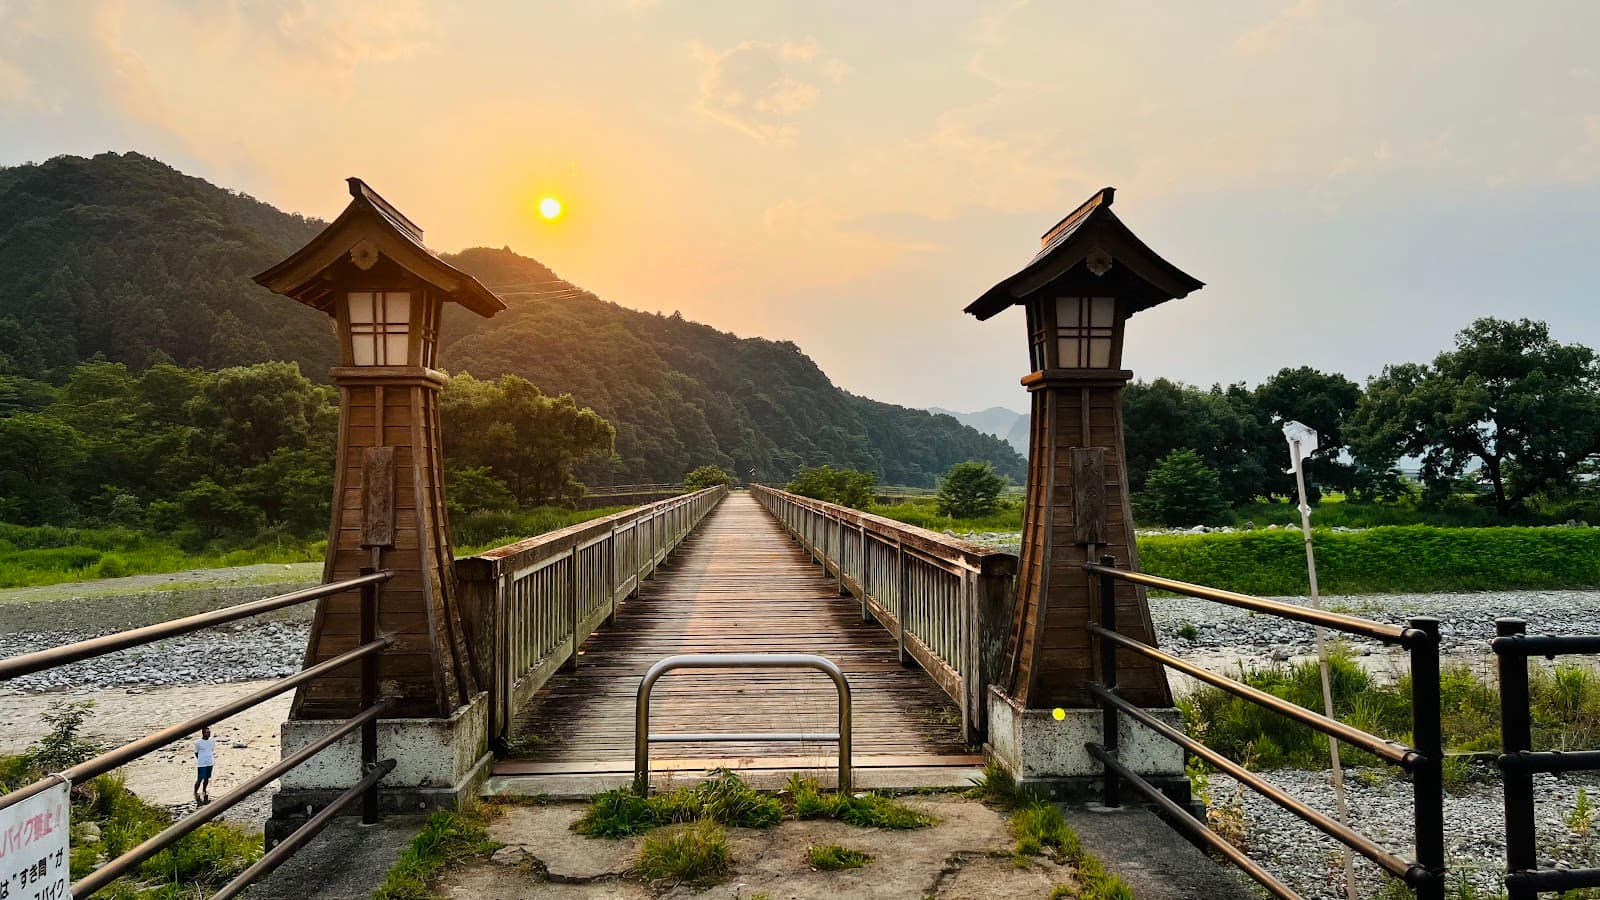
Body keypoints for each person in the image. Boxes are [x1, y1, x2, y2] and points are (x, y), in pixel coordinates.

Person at [193, 726, 216, 805]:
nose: (208, 734)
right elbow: (196, 753)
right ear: (203, 733)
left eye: (209, 732)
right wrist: (201, 759)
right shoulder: (198, 743)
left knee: (207, 778)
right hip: (202, 764)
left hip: (210, 762)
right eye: (207, 732)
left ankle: (204, 790)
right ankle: (195, 792)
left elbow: (211, 750)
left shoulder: (212, 741)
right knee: (199, 779)